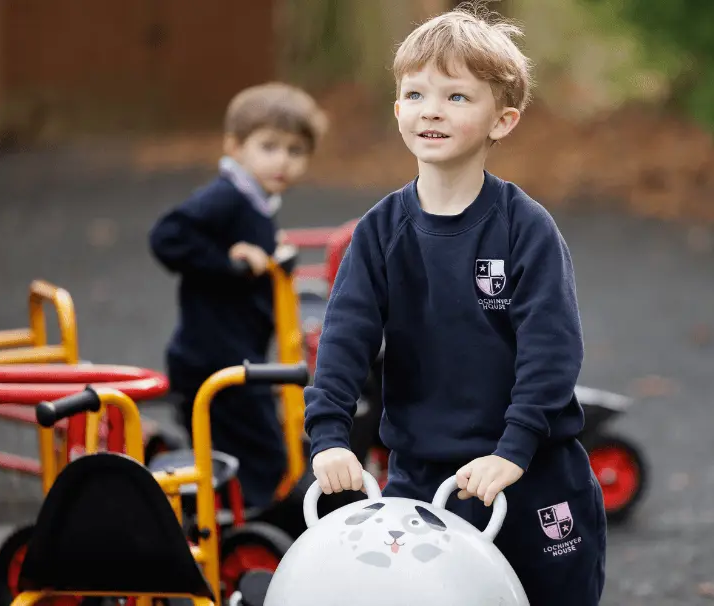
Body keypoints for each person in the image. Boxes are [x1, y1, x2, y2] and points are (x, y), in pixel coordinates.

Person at [303, 4, 607, 604]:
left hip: (529, 473)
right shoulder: (381, 232)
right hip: (424, 479)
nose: (431, 109)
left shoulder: (526, 229)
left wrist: (512, 453)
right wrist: (330, 438)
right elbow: (344, 341)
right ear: (398, 111)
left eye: (457, 97)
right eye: (415, 93)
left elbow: (551, 351)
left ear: (504, 119)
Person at [149, 82, 327, 508]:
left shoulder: (258, 200)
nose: (282, 160)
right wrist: (226, 261)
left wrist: (269, 253)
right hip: (212, 357)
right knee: (261, 452)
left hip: (236, 351)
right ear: (235, 146)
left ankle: (237, 515)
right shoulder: (226, 196)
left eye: (295, 150)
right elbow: (167, 236)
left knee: (255, 442)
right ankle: (247, 530)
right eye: (269, 147)